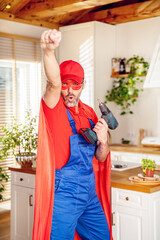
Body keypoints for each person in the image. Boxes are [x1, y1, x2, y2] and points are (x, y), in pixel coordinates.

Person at [33, 29, 112, 240]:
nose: (69, 91)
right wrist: (48, 51)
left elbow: (101, 157)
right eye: (65, 84)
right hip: (64, 193)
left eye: (75, 84)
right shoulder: (54, 108)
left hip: (89, 190)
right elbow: (52, 83)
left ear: (83, 85)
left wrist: (103, 141)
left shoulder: (90, 113)